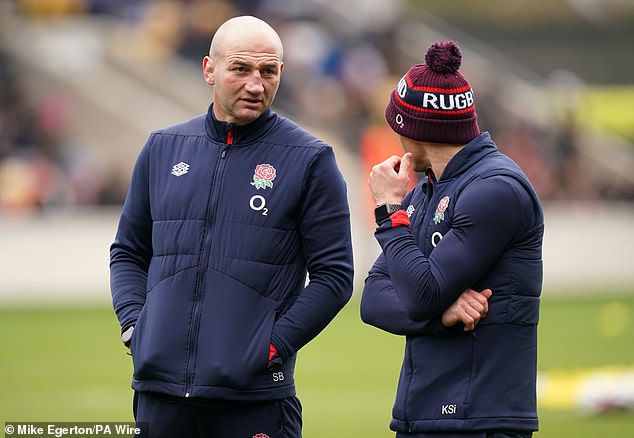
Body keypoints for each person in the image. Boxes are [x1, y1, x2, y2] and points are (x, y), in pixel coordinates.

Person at [110, 15, 353, 438]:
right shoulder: (163, 148)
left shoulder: (311, 159)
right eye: (240, 69)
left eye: (268, 71)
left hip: (254, 400)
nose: (256, 84)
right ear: (209, 70)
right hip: (159, 394)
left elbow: (335, 276)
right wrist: (135, 326)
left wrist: (270, 347)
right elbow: (129, 252)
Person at [360, 40, 544, 438]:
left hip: (479, 417)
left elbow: (419, 294)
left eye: (398, 125)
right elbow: (373, 299)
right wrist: (440, 317)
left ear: (415, 129)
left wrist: (390, 212)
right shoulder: (426, 191)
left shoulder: (496, 189)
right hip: (426, 411)